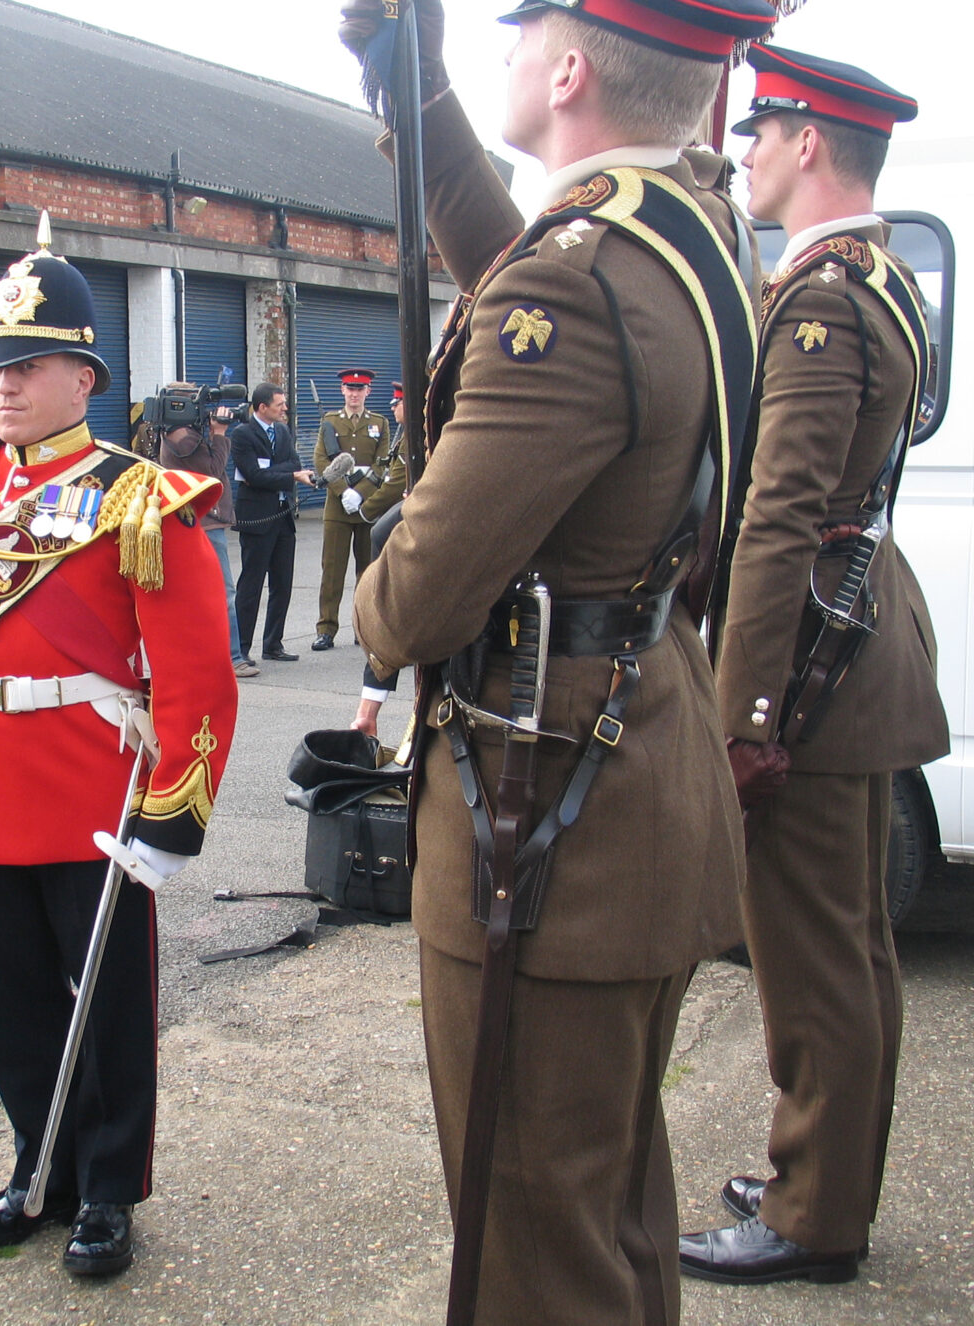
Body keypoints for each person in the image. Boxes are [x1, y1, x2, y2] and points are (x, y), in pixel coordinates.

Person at [340, 0, 774, 1320]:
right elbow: (501, 243)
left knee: (536, 1242)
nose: (511, 48)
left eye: (523, 31)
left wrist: (373, 572)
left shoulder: (577, 277)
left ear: (573, 63)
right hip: (634, 784)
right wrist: (396, 70)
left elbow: (411, 605)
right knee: (608, 1212)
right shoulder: (688, 235)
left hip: (545, 824)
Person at [0, 221, 237, 1278]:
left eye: (28, 366)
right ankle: (33, 1171)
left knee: (108, 1008)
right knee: (13, 1002)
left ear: (83, 375)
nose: (4, 386)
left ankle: (105, 1190)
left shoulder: (139, 498)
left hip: (92, 787)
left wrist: (175, 811)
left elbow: (192, 671)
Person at [678, 46, 948, 1287]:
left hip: (816, 662)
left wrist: (746, 715)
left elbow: (778, 513)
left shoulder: (827, 297)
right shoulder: (878, 275)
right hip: (861, 630)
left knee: (815, 956)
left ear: (813, 146)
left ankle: (812, 1217)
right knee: (854, 949)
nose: (748, 153)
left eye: (763, 133)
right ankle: (823, 1175)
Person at [157, 398, 255, 678]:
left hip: (201, 520)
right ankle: (233, 657)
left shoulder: (184, 433)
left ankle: (201, 654)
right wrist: (220, 434)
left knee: (199, 592)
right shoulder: (180, 438)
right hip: (204, 522)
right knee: (224, 593)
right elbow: (212, 470)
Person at [231, 382, 313, 663]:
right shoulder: (242, 435)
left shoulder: (282, 431)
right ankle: (241, 648)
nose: (284, 409)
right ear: (262, 407)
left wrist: (282, 472)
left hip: (282, 517)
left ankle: (273, 644)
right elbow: (253, 475)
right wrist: (288, 475)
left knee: (282, 583)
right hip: (257, 519)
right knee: (251, 585)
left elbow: (294, 463)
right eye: (279, 404)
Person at [310, 368, 390, 650]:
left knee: (367, 570)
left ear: (368, 392)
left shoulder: (379, 423)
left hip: (368, 506)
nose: (354, 394)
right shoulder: (330, 421)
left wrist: (360, 493)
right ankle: (326, 628)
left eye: (360, 389)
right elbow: (321, 461)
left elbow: (383, 463)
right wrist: (343, 491)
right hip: (337, 507)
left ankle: (363, 626)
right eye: (349, 388)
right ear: (342, 391)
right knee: (332, 570)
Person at [350, 381, 407, 738]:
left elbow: (397, 480)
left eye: (398, 402)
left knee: (380, 534)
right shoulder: (404, 432)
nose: (393, 406)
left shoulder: (417, 432)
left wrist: (367, 509)